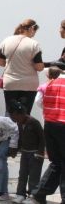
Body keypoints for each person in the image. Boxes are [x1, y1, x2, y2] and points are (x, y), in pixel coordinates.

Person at [29, 70, 65, 204]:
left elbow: (40, 103)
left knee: (56, 162)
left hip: (50, 125)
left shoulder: (51, 84)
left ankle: (39, 194)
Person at [0, 19, 44, 114]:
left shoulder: (6, 41)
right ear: (31, 29)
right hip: (28, 85)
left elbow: (0, 62)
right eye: (35, 31)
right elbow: (39, 67)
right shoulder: (34, 44)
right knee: (24, 115)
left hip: (10, 83)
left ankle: (9, 128)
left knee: (10, 113)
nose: (34, 35)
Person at [7, 101, 45, 204]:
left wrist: (40, 153)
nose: (13, 119)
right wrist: (15, 150)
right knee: (22, 174)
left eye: (14, 117)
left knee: (34, 176)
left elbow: (42, 138)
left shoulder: (34, 122)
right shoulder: (19, 123)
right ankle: (20, 194)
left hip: (35, 153)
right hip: (25, 152)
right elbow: (20, 138)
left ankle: (33, 196)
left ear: (21, 114)